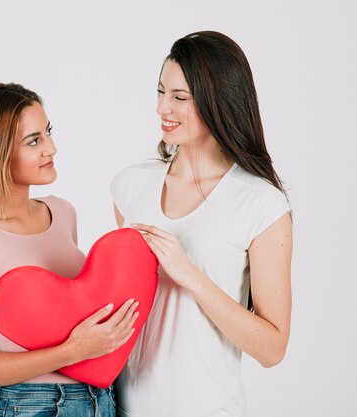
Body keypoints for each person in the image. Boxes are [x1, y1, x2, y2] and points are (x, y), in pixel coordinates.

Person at [0, 82, 139, 417]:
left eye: (48, 132)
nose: (51, 148)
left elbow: (75, 303)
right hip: (32, 405)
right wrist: (72, 351)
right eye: (34, 140)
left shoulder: (63, 212)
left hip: (104, 398)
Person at [110, 31, 293, 417]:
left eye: (179, 98)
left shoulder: (261, 204)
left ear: (218, 101)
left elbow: (272, 348)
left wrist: (189, 274)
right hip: (120, 407)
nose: (164, 107)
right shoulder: (130, 185)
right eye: (161, 92)